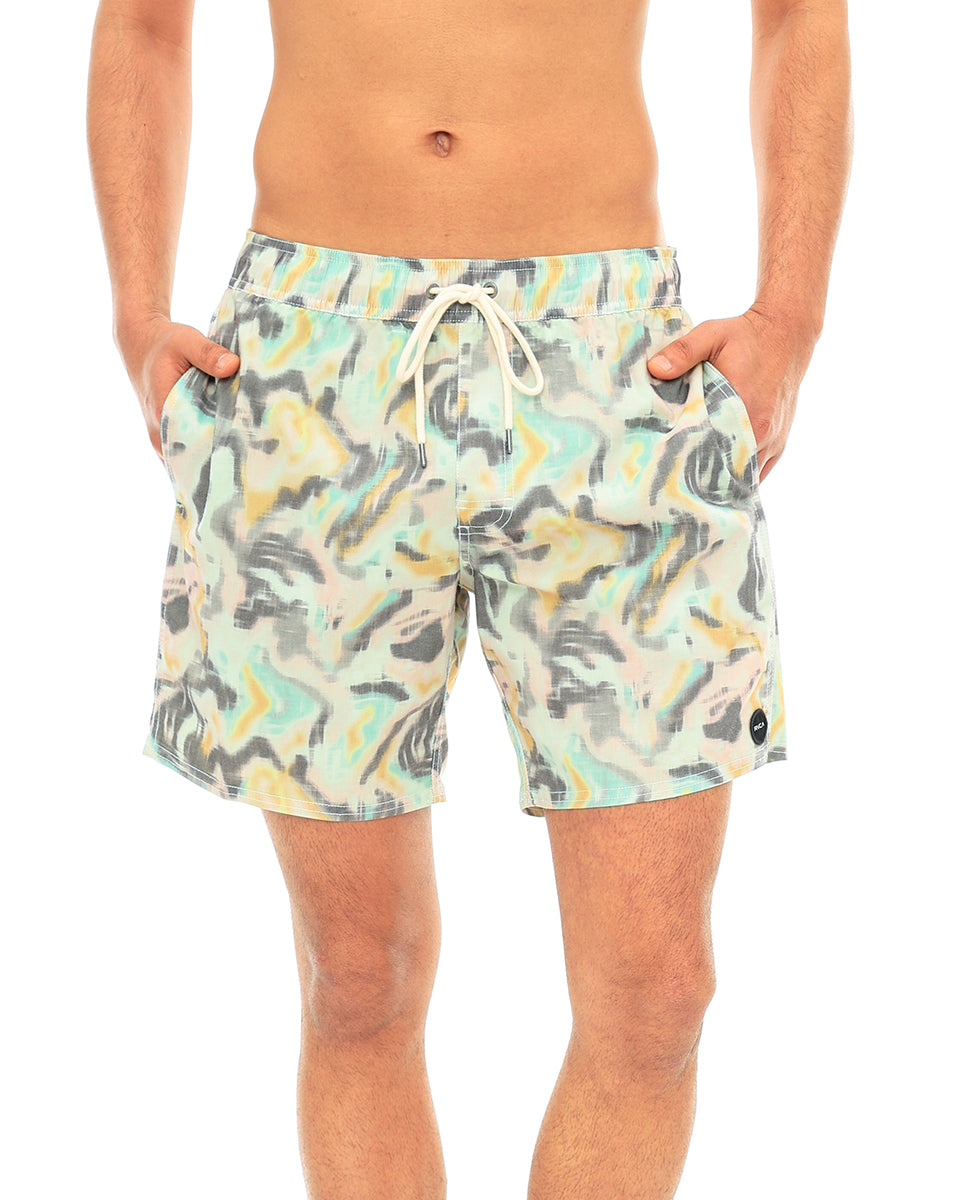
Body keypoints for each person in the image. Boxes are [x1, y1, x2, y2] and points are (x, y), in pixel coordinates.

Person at [87, 1, 852, 1196]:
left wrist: (791, 313)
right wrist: (136, 315)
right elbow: (142, 23)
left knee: (657, 993)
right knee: (358, 977)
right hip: (314, 360)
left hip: (606, 360)